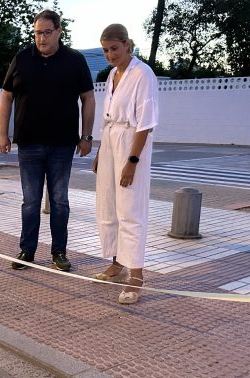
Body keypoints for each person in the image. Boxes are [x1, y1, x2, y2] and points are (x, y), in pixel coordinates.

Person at [0, 9, 95, 272]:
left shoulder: (74, 60)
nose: (41, 38)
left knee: (60, 200)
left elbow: (88, 97)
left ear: (58, 32)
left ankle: (59, 252)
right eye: (37, 33)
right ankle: (27, 251)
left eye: (47, 32)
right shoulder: (21, 59)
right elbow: (6, 96)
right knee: (30, 201)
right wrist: (2, 133)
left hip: (63, 145)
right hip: (28, 143)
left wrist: (86, 136)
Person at [91, 24, 159, 304]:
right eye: (106, 50)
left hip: (131, 142)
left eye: (114, 49)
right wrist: (100, 151)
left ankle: (137, 275)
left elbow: (146, 123)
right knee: (108, 204)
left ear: (127, 44)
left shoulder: (143, 74)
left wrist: (132, 160)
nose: (110, 55)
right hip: (110, 141)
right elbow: (108, 117)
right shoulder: (111, 75)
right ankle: (117, 262)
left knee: (130, 207)